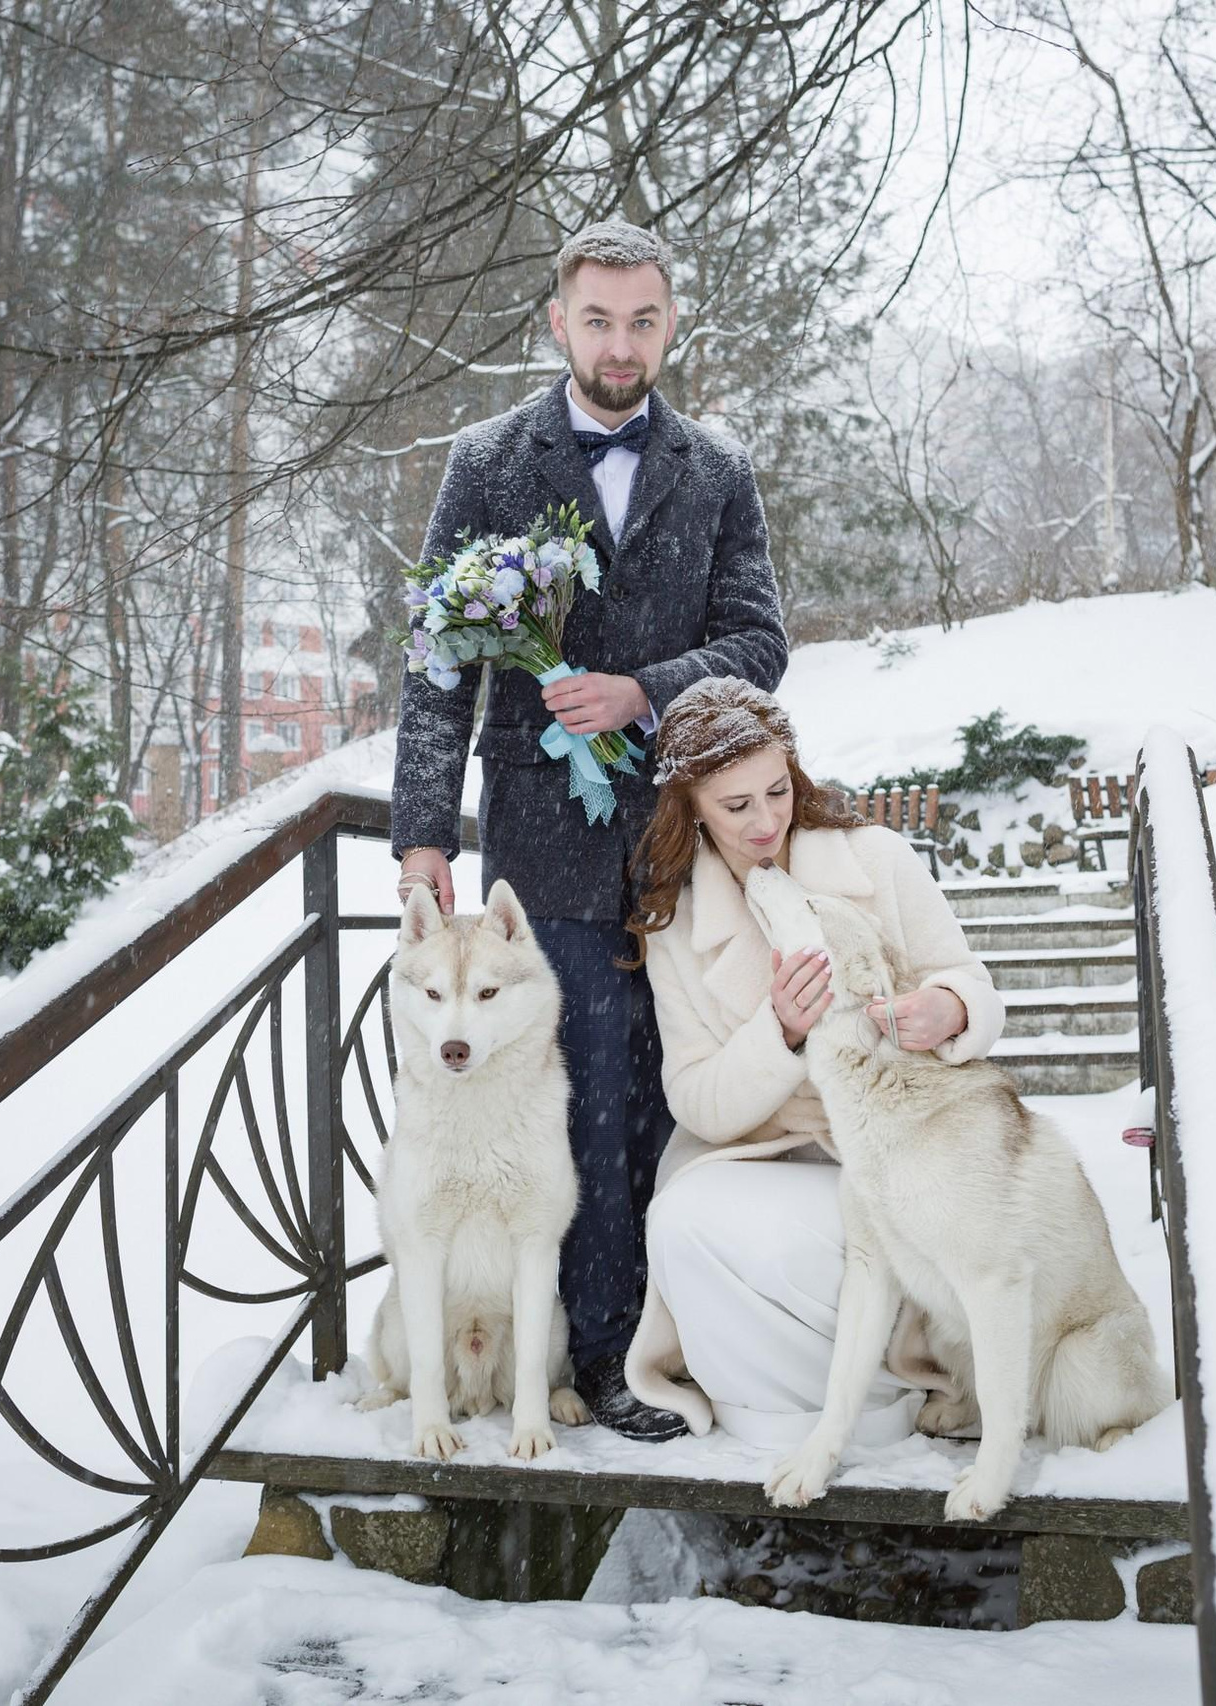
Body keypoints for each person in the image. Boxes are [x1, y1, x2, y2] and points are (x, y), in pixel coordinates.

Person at [388, 219, 788, 1441]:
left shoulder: (716, 470)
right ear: (557, 322)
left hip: (682, 845)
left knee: (678, 1103)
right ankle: (595, 1360)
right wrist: (421, 834)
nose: (622, 343)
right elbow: (438, 662)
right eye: (598, 319)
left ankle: (695, 1341)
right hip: (541, 851)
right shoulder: (487, 460)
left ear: (671, 324)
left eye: (644, 320)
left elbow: (761, 645)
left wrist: (642, 691)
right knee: (582, 1104)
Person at [618, 677, 1007, 1447]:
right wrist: (780, 1034)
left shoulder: (876, 859)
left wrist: (950, 1008)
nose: (765, 821)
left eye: (777, 792)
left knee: (888, 1234)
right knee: (688, 1222)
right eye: (736, 806)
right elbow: (695, 1100)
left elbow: (971, 982)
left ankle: (880, 1396)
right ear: (689, 805)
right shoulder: (675, 921)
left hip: (901, 1142)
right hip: (762, 1153)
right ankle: (782, 1412)